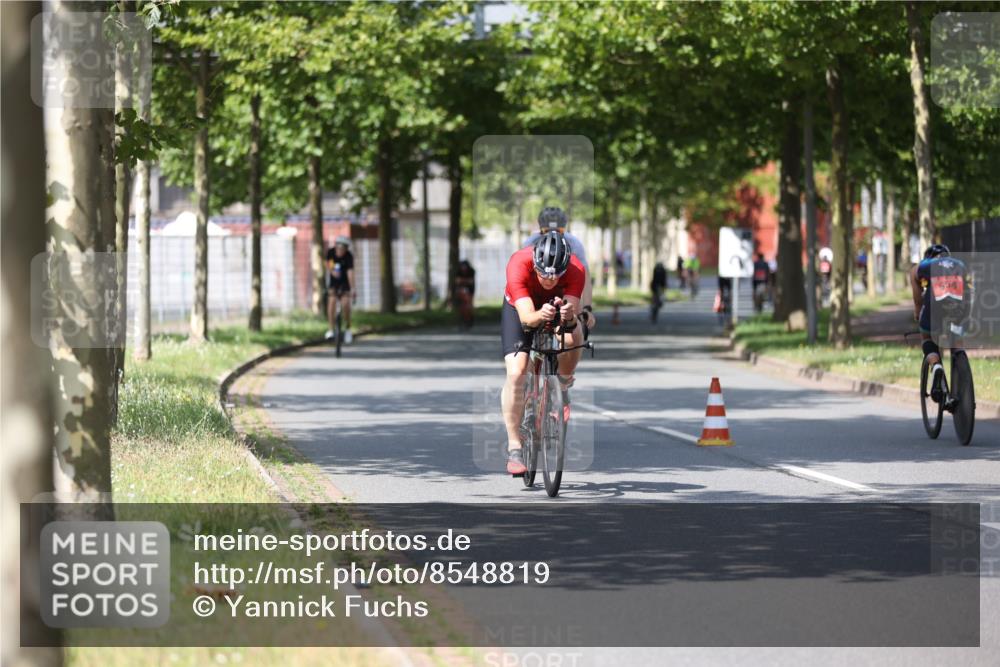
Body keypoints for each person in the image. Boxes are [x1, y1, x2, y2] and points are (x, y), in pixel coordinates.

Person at [501, 231, 586, 475]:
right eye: (543, 274)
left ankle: (562, 384)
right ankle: (515, 446)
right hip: (520, 308)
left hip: (555, 306)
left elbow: (571, 316)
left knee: (573, 334)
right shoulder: (519, 263)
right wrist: (540, 314)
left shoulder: (576, 270)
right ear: (534, 263)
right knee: (517, 373)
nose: (549, 280)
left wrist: (568, 315)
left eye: (555, 276)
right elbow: (527, 319)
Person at [910, 244, 970, 402]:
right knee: (956, 340)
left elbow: (914, 278)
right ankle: (960, 362)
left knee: (927, 337)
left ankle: (936, 365)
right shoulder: (960, 264)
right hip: (960, 307)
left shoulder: (926, 264)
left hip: (934, 307)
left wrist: (917, 310)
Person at [523, 206, 597, 330]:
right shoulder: (530, 243)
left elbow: (585, 278)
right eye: (547, 230)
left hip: (562, 288)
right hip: (538, 287)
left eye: (559, 231)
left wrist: (587, 308)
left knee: (572, 324)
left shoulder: (574, 244)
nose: (553, 235)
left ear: (565, 229)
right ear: (540, 229)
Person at [325, 235, 355, 343]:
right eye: (338, 248)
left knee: (346, 304)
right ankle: (331, 329)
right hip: (334, 284)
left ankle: (347, 328)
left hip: (345, 284)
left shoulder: (348, 256)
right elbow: (329, 264)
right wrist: (332, 271)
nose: (340, 250)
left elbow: (350, 272)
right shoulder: (331, 253)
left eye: (343, 248)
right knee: (331, 302)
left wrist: (353, 288)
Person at [454, 259, 476, 328]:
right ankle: (462, 319)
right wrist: (465, 281)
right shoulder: (458, 271)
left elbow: (471, 282)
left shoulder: (471, 271)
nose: (463, 268)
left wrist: (462, 281)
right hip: (460, 291)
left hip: (469, 290)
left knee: (469, 306)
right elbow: (457, 281)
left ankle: (469, 319)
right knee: (461, 307)